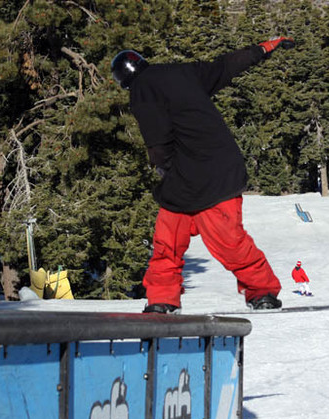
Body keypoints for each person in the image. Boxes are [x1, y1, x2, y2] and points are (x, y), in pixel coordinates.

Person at [111, 37, 295, 313]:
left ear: (124, 80)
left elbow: (156, 138)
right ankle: (262, 292)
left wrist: (163, 167)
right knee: (231, 244)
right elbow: (226, 66)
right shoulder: (182, 72)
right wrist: (265, 47)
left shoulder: (141, 89)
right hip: (219, 170)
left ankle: (162, 299)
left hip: (199, 179)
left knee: (167, 245)